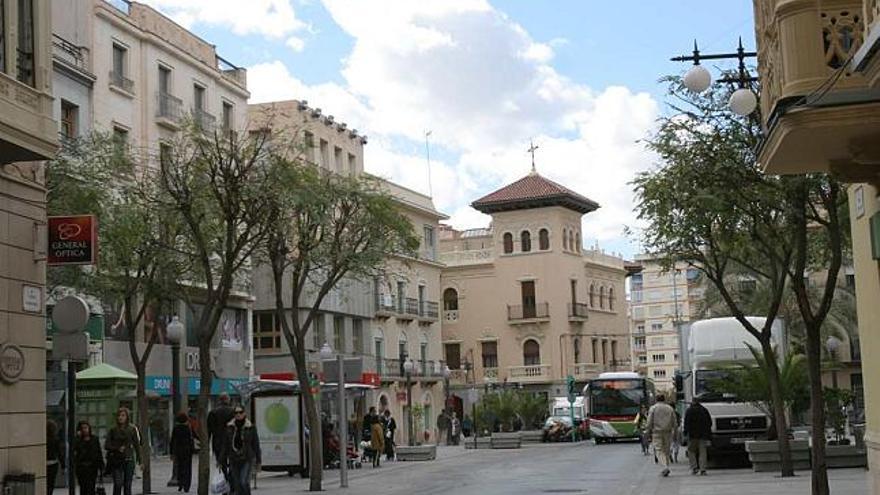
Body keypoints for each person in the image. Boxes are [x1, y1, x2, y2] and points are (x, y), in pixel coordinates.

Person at [220, 406, 261, 495]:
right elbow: (225, 444)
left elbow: (256, 444)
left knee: (243, 481)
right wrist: (221, 459)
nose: (238, 414)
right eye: (236, 413)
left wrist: (258, 460)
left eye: (240, 412)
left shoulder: (250, 427)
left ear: (244, 413)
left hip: (247, 458)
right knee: (237, 483)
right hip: (233, 458)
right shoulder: (229, 427)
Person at [105, 407, 141, 495]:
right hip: (117, 460)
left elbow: (137, 445)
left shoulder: (132, 429)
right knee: (118, 483)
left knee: (127, 484)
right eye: (119, 415)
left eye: (123, 415)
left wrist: (140, 461)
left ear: (127, 417)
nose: (120, 417)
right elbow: (107, 445)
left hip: (128, 459)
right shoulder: (113, 430)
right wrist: (117, 448)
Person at [646, 395, 677, 477]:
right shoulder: (670, 408)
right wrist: (675, 433)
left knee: (659, 450)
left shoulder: (653, 408)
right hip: (668, 432)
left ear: (656, 399)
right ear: (664, 399)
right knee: (666, 450)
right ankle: (666, 467)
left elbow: (649, 422)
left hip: (656, 432)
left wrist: (648, 431)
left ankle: (665, 467)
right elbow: (675, 422)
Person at [74, 420, 104, 495]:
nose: (85, 430)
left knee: (91, 487)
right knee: (83, 488)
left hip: (92, 467)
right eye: (82, 428)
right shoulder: (78, 441)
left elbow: (98, 452)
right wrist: (78, 437)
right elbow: (74, 452)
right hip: (82, 467)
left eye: (86, 427)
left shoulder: (94, 439)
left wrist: (101, 466)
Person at [683, 397, 713, 476]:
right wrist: (708, 434)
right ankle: (703, 469)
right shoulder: (704, 410)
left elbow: (686, 423)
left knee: (691, 451)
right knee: (703, 452)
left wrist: (685, 433)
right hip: (703, 435)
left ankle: (694, 467)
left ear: (692, 402)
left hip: (692, 436)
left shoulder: (689, 411)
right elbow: (709, 423)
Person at [170, 412, 196, 492]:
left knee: (180, 467)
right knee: (187, 468)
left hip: (178, 451)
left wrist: (171, 452)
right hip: (187, 451)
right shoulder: (188, 428)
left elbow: (172, 441)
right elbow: (193, 438)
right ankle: (186, 485)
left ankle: (180, 483)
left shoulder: (176, 428)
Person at [208, 393, 235, 463]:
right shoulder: (233, 411)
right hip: (231, 439)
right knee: (232, 458)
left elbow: (209, 429)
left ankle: (225, 472)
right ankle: (230, 473)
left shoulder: (213, 412)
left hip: (217, 439)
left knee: (220, 460)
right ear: (228, 400)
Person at [46, 420, 65, 495]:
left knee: (45, 482)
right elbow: (60, 453)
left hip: (44, 462)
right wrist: (63, 466)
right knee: (51, 483)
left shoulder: (43, 439)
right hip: (53, 463)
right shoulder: (56, 439)